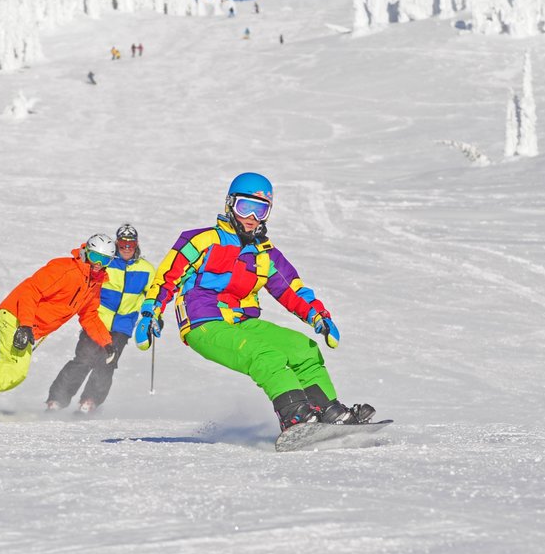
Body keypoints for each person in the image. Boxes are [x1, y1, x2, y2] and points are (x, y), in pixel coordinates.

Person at [133, 173, 375, 431]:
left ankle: (328, 410)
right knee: (266, 356)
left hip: (242, 322)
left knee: (303, 349)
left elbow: (291, 288)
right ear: (230, 205)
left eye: (260, 210)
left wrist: (318, 315)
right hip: (203, 322)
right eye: (245, 207)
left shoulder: (265, 253)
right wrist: (151, 313)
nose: (251, 217)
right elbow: (166, 278)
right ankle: (295, 416)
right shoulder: (201, 241)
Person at [0, 235, 119, 405]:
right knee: (14, 370)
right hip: (17, 317)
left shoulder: (93, 284)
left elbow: (89, 315)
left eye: (104, 260)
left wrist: (106, 343)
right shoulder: (65, 269)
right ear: (86, 252)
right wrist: (25, 326)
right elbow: (30, 290)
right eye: (95, 256)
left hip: (27, 325)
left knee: (12, 371)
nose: (97, 264)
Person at [47, 224, 156, 413]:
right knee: (83, 359)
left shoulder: (146, 269)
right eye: (122, 244)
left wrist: (154, 315)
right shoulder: (107, 263)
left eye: (130, 244)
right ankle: (57, 399)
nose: (127, 248)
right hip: (97, 319)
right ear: (117, 243)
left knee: (107, 364)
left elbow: (153, 295)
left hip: (122, 325)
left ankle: (90, 401)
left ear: (136, 244)